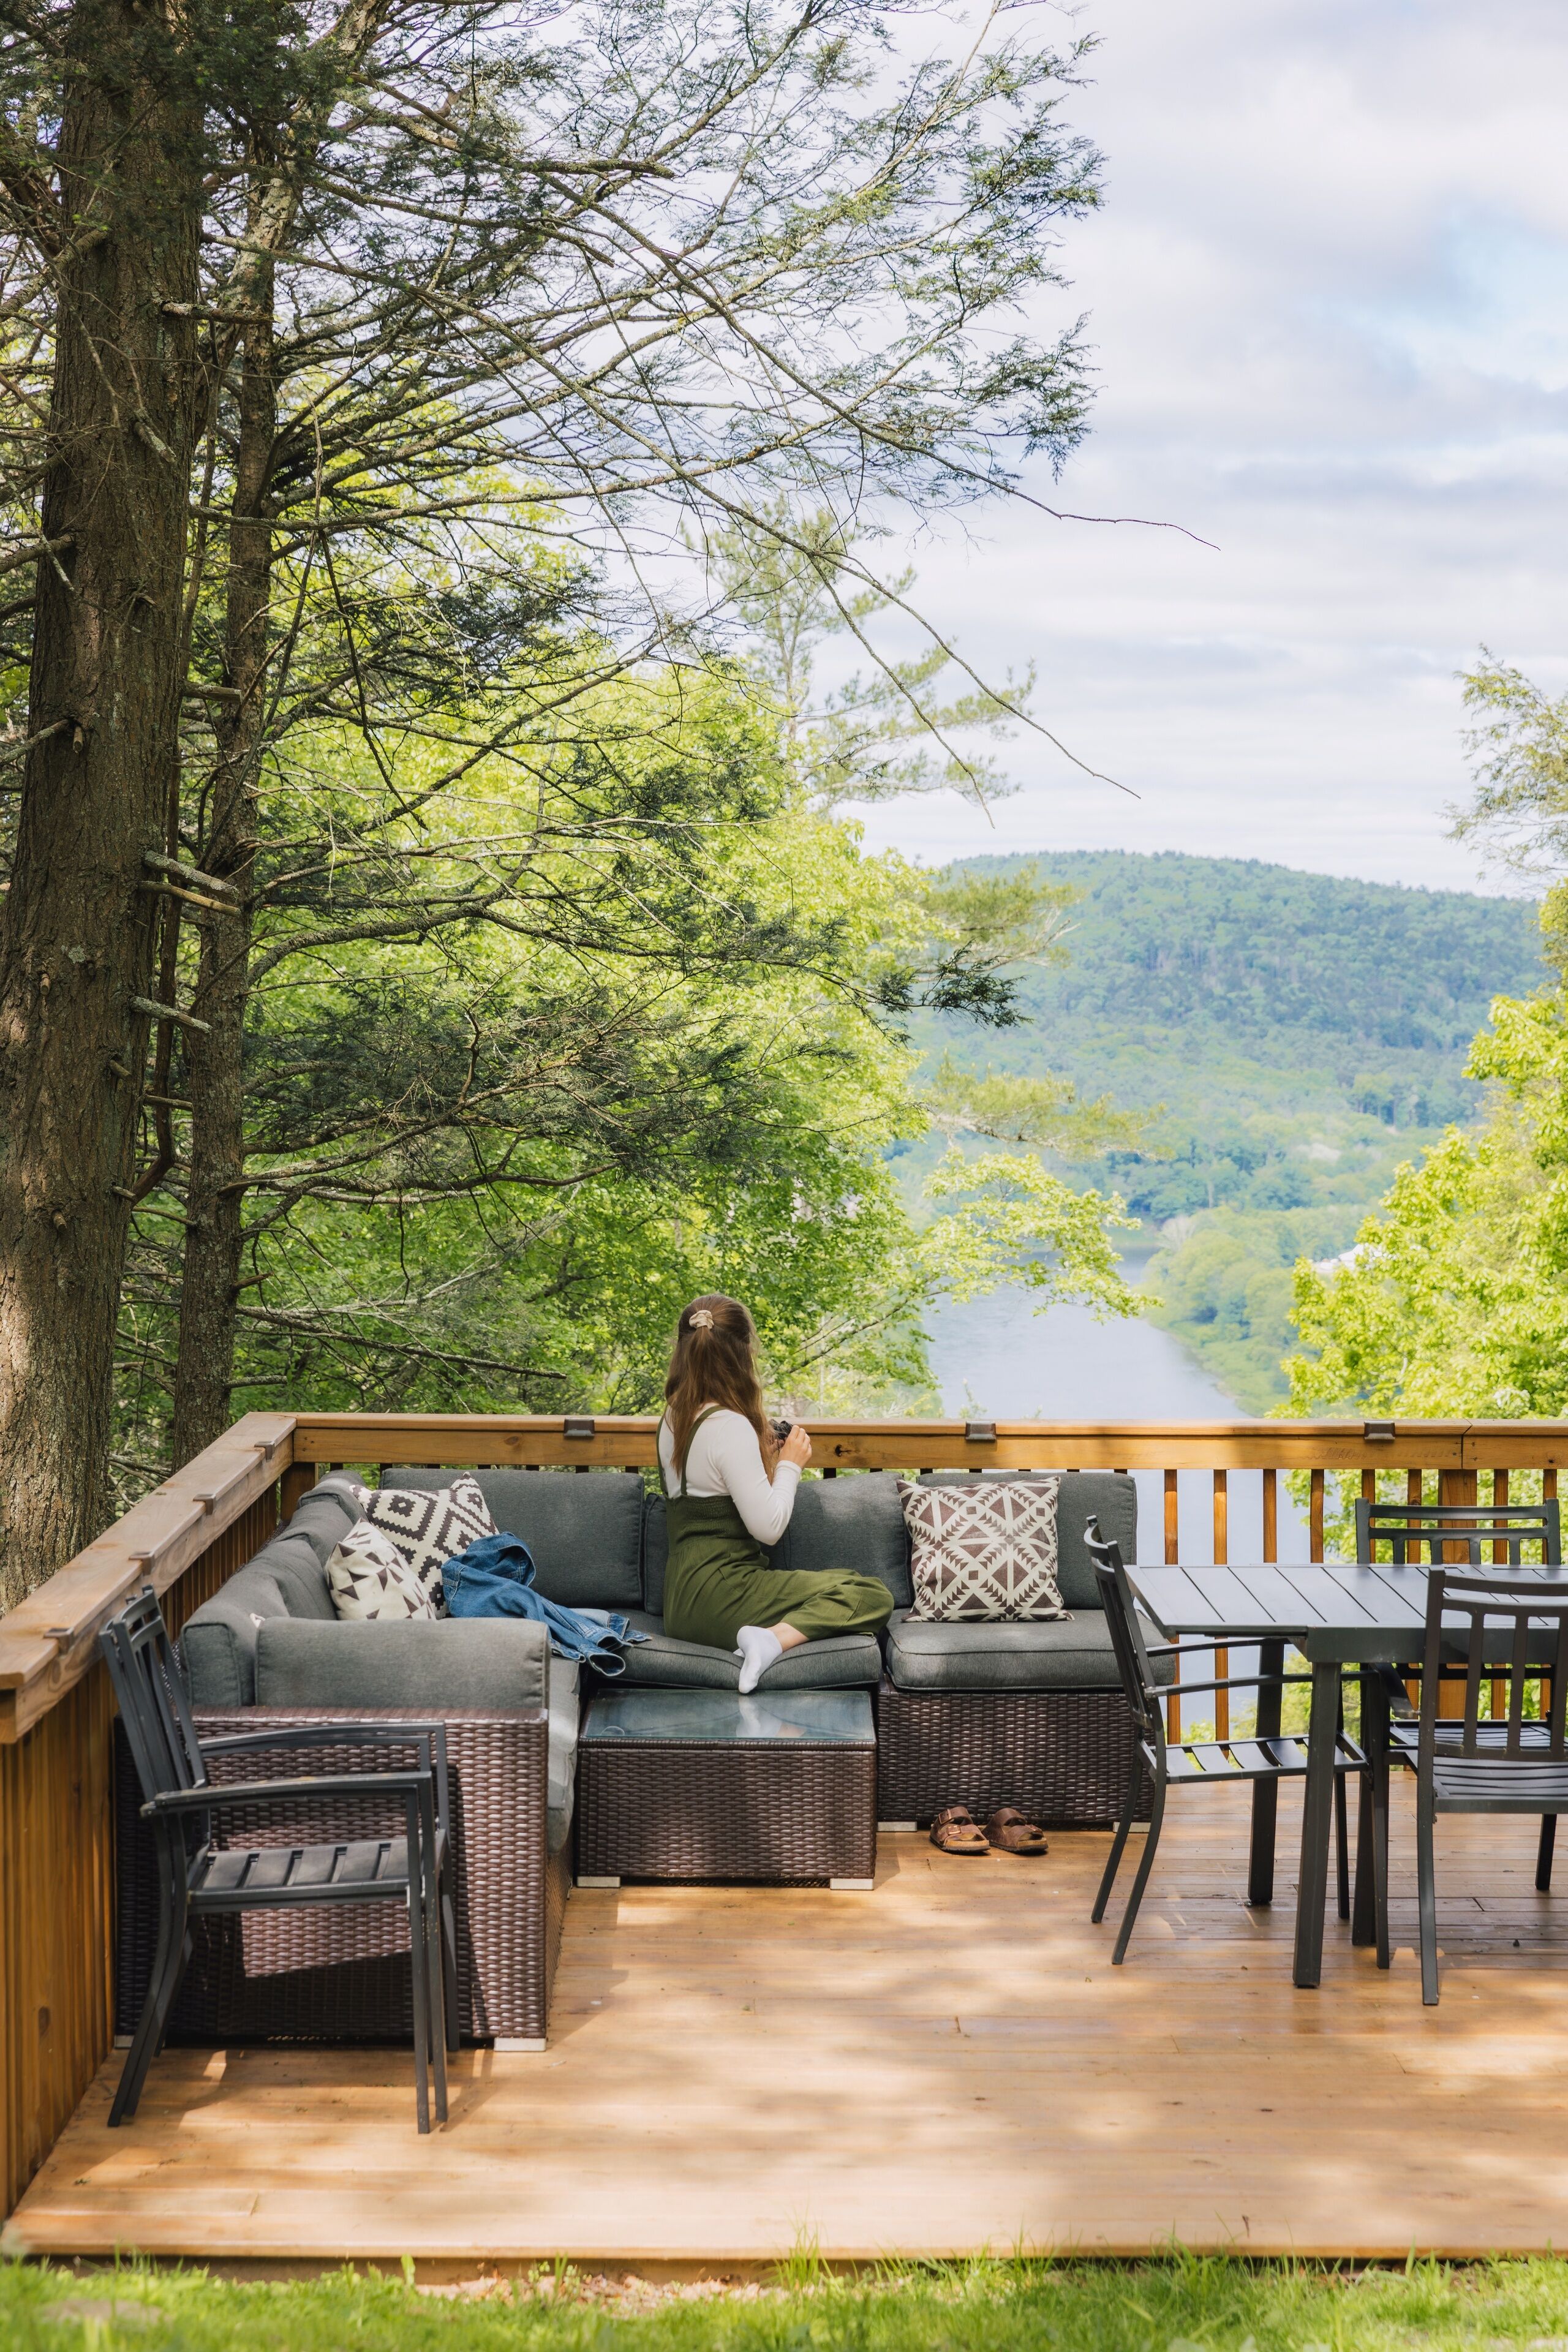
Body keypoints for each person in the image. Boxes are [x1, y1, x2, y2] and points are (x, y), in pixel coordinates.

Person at [658, 1293, 894, 1692]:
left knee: (843, 1581)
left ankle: (766, 1636)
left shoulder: (673, 1417)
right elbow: (768, 1528)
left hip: (680, 1604)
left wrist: (759, 1454)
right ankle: (769, 1640)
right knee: (870, 1593)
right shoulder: (730, 1425)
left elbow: (710, 1484)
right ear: (743, 1352)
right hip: (724, 1599)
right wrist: (790, 1463)